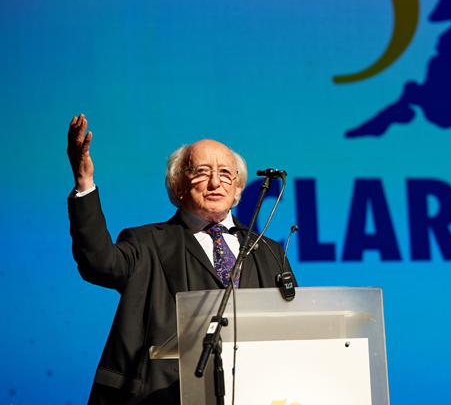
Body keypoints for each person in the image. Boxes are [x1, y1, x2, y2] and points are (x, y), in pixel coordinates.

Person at [67, 114, 295, 404]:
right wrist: (84, 181)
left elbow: (292, 326)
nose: (215, 182)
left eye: (225, 173)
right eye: (201, 171)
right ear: (177, 186)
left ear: (238, 189)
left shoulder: (269, 251)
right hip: (158, 397)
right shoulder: (146, 242)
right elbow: (98, 263)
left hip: (251, 393)